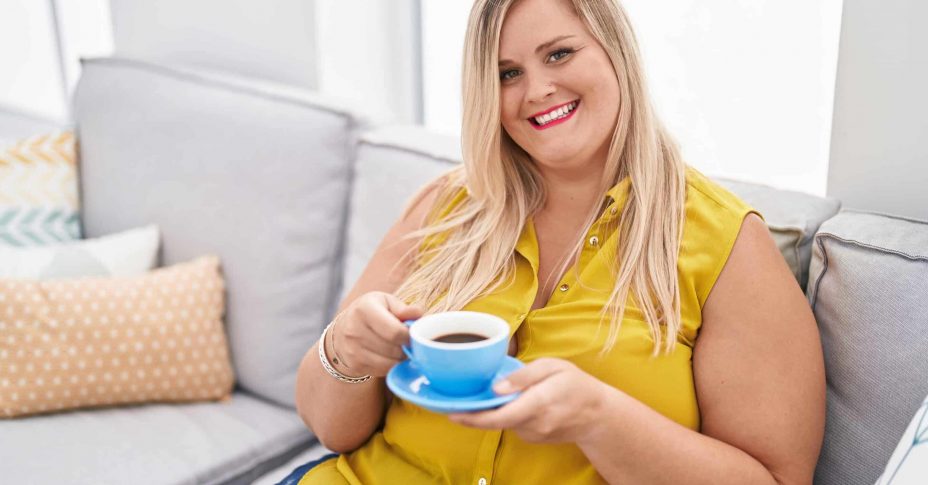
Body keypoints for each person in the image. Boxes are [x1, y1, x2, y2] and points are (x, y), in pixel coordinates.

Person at [283, 0, 826, 483]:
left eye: (560, 54)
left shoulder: (727, 243)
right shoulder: (446, 206)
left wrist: (599, 419)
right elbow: (331, 428)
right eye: (507, 73)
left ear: (615, 51)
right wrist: (344, 350)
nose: (536, 90)